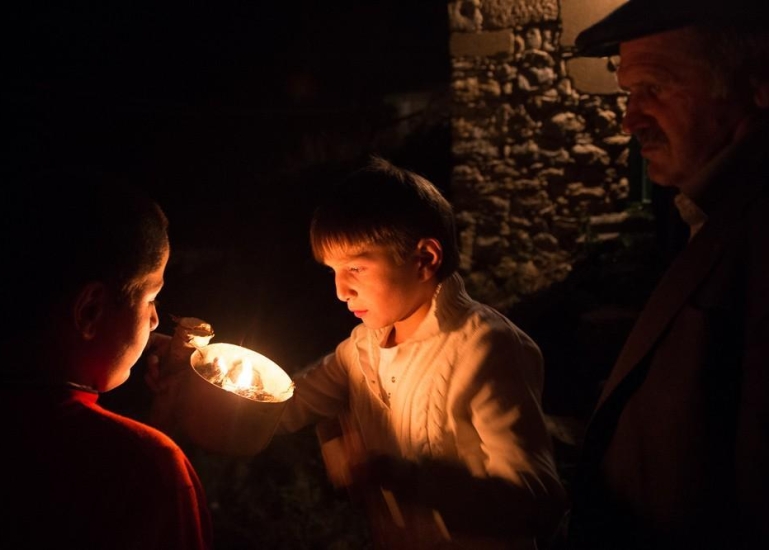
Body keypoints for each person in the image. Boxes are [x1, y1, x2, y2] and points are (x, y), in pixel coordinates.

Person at [275, 156, 566, 549]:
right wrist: (194, 373)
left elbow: (538, 500)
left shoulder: (485, 347)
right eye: (333, 272)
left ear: (425, 259)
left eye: (356, 269)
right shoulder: (361, 348)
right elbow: (280, 406)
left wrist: (408, 478)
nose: (341, 291)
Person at [567, 1, 769, 548]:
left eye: (653, 87)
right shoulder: (715, 215)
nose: (630, 118)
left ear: (758, 84)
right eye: (629, 93)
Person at [0, 168, 213, 549]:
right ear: (89, 311)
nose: (154, 322)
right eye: (151, 299)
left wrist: (160, 421)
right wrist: (155, 449)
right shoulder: (150, 473)